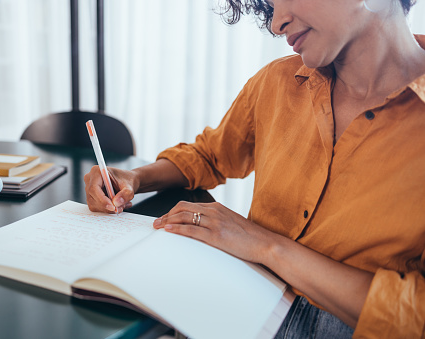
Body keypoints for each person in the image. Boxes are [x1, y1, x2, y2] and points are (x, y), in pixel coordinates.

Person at [84, 0, 425, 337]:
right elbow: (210, 155)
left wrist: (266, 246)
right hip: (235, 305)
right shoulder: (277, 83)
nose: (276, 24)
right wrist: (134, 178)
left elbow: (416, 318)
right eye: (270, 6)